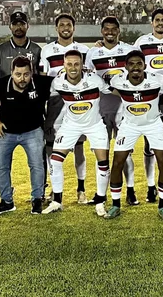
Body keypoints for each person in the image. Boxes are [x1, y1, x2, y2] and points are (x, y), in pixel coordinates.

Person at [104, 50, 163, 220]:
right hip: (129, 125)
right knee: (117, 161)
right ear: (126, 66)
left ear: (144, 65)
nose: (135, 67)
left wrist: (156, 104)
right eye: (132, 64)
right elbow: (112, 90)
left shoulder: (157, 80)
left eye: (139, 63)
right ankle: (115, 205)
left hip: (154, 124)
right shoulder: (118, 80)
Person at [42, 50, 111, 217]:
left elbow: (115, 91)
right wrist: (48, 121)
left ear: (82, 65)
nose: (73, 68)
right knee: (56, 161)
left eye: (76, 64)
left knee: (103, 162)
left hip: (95, 125)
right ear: (64, 65)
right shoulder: (57, 82)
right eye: (69, 64)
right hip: (70, 126)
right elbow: (51, 100)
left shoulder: (94, 80)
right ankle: (57, 201)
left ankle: (100, 201)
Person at [0, 56, 53, 215]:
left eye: (26, 74)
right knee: (0, 166)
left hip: (33, 131)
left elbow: (63, 80)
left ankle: (37, 199)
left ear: (32, 73)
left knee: (37, 165)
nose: (22, 78)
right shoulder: (1, 84)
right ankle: (7, 201)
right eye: (18, 74)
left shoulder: (42, 83)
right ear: (11, 73)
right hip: (6, 133)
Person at [85, 16, 139, 205]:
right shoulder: (93, 53)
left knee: (125, 153)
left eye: (113, 29)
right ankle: (101, 193)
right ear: (102, 31)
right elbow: (88, 77)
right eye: (106, 29)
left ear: (119, 31)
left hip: (124, 109)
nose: (109, 32)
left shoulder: (129, 50)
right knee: (102, 153)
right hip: (100, 109)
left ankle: (131, 191)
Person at [133, 9, 163, 204]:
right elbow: (130, 62)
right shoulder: (141, 42)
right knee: (149, 145)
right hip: (149, 99)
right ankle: (151, 186)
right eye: (157, 20)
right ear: (152, 23)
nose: (160, 23)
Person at [39, 14, 90, 203]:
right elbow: (44, 78)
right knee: (50, 149)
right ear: (56, 28)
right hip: (55, 104)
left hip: (77, 103)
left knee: (78, 147)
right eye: (62, 25)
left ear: (74, 28)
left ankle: (81, 189)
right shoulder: (47, 50)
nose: (65, 27)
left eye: (69, 24)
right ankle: (53, 188)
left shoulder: (85, 50)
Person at [0, 11, 42, 83]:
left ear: (27, 26)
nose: (18, 27)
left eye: (22, 24)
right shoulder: (0, 49)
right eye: (15, 24)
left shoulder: (37, 49)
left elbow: (42, 74)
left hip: (30, 92)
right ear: (10, 27)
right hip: (6, 92)